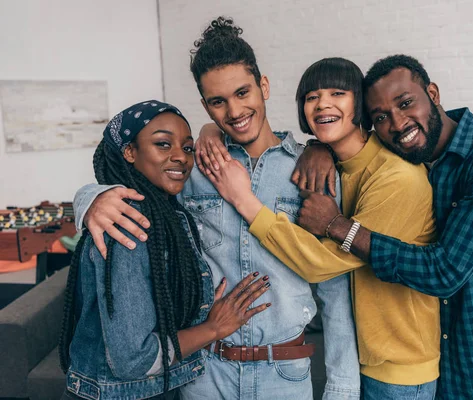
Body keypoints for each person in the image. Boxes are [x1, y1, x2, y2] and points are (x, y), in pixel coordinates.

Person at [71, 18, 360, 400]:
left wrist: (342, 388)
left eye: (243, 92)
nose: (235, 110)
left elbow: (334, 290)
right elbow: (136, 181)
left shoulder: (310, 170)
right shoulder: (192, 167)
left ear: (264, 86)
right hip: (204, 373)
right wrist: (92, 198)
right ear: (205, 105)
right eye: (218, 101)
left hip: (285, 374)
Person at [290, 55, 473, 399]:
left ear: (433, 92)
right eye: (381, 117)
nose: (398, 124)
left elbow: (444, 271)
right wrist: (320, 147)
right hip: (442, 369)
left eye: (406, 103)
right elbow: (352, 141)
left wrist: (339, 226)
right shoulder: (411, 158)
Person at [200, 57, 440, 400]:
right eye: (312, 97)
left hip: (399, 369)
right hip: (365, 359)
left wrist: (245, 201)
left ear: (359, 102)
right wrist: (210, 130)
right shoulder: (336, 167)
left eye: (337, 93)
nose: (323, 103)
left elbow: (322, 264)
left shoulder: (396, 178)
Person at [59, 100, 270, 399]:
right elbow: (133, 360)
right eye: (162, 144)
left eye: (186, 148)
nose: (180, 158)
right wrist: (213, 329)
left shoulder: (165, 213)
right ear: (130, 152)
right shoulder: (129, 225)